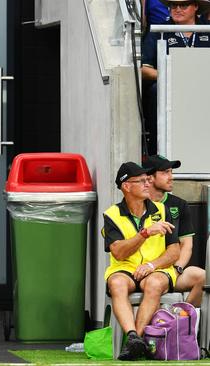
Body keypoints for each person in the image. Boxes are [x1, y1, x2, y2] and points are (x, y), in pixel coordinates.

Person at [103, 161, 179, 360]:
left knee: (154, 283)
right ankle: (133, 336)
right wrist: (144, 233)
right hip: (125, 268)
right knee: (116, 283)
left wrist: (152, 265)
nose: (148, 184)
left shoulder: (162, 210)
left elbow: (174, 251)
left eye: (148, 180)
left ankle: (135, 342)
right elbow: (118, 252)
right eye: (142, 181)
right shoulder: (112, 214)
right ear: (126, 186)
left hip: (157, 268)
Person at [141, 0, 210, 154]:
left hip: (203, 87)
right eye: (173, 6)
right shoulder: (159, 30)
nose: (177, 9)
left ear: (196, 7)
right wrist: (174, 75)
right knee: (154, 91)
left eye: (183, 5)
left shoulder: (207, 30)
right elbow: (144, 69)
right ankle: (158, 157)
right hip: (170, 88)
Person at [144, 155, 205, 306]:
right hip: (144, 271)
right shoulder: (137, 204)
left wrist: (177, 269)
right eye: (165, 172)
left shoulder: (179, 205)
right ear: (150, 177)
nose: (171, 177)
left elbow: (186, 245)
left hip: (172, 271)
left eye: (171, 172)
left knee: (203, 276)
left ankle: (181, 319)